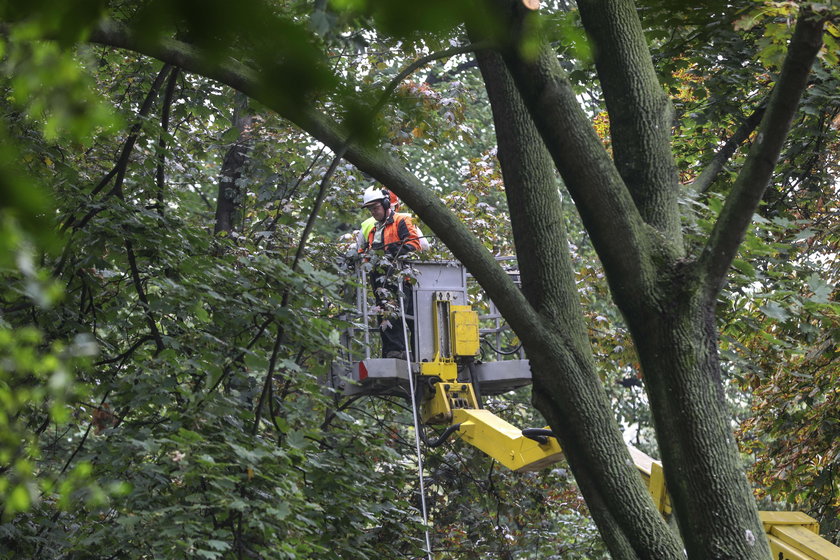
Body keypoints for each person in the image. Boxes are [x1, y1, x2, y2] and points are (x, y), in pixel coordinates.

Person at [358, 186, 424, 359]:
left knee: (406, 314)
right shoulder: (373, 229)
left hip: (401, 276)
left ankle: (416, 353)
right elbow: (364, 251)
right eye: (370, 209)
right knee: (385, 314)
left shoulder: (401, 220)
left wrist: (395, 251)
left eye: (376, 208)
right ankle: (392, 352)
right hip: (379, 278)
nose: (373, 212)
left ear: (386, 204)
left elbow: (414, 244)